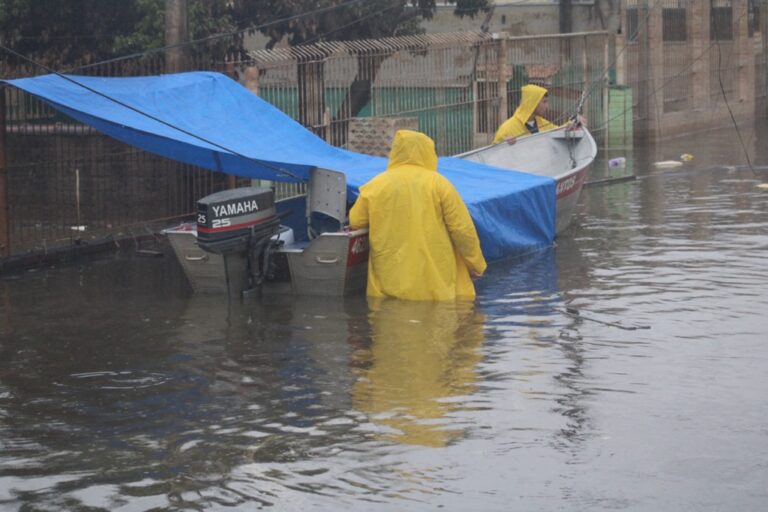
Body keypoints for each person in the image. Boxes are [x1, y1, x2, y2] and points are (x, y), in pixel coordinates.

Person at [349, 129, 487, 301]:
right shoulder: (440, 184)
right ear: (428, 152)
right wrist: (476, 264)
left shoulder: (375, 185)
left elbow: (356, 221)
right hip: (437, 288)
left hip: (389, 287)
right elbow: (462, 230)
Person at [492, 83, 586, 145]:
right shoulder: (507, 128)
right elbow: (493, 152)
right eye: (544, 102)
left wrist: (573, 123)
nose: (547, 106)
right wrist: (503, 144)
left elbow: (559, 131)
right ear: (533, 103)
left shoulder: (542, 123)